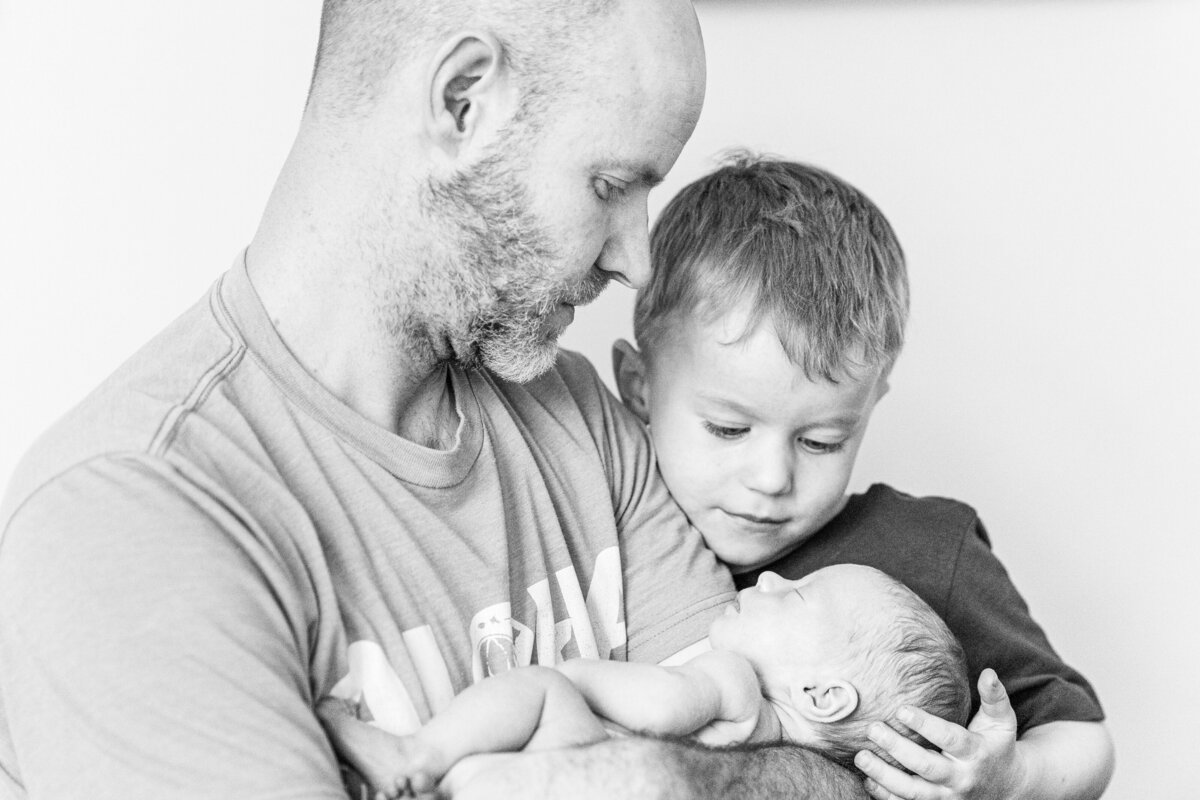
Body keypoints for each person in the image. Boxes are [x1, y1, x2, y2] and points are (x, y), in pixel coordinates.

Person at [0, 3, 870, 799]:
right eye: (611, 186)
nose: (636, 263)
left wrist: (661, 778)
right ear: (463, 101)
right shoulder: (127, 515)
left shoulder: (581, 417)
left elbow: (817, 761)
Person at [611, 153, 1116, 799]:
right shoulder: (611, 531)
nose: (771, 478)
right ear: (637, 388)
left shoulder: (926, 548)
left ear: (869, 407)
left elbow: (1085, 738)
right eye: (729, 429)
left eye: (822, 439)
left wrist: (1010, 776)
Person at [318, 564, 969, 798]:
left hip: (564, 763)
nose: (768, 581)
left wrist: (570, 675)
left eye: (795, 596)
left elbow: (658, 708)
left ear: (824, 697)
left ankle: (416, 753)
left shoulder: (735, 684)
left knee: (547, 693)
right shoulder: (795, 769)